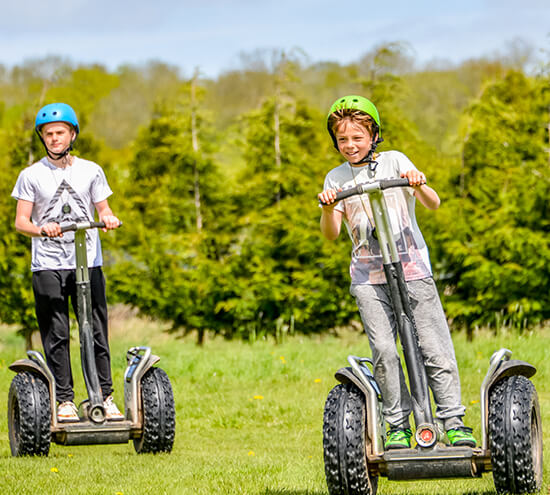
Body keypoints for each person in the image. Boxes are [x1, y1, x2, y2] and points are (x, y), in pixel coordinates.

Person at [318, 95, 476, 449]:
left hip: (412, 268)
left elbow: (432, 203)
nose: (350, 145)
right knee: (386, 352)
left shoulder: (395, 161)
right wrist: (329, 209)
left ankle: (452, 420)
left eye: (357, 137)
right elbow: (330, 234)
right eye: (343, 139)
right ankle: (398, 426)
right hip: (368, 278)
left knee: (434, 346)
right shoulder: (336, 178)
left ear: (374, 135)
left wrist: (417, 183)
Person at [11, 102, 124, 422]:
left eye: (60, 132)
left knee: (96, 330)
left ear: (72, 134)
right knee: (57, 332)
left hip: (87, 260)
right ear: (42, 138)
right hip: (47, 264)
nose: (54, 138)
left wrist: (109, 217)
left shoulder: (91, 170)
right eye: (48, 134)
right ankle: (64, 400)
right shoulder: (31, 175)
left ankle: (105, 396)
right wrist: (40, 228)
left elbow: (102, 209)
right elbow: (21, 222)